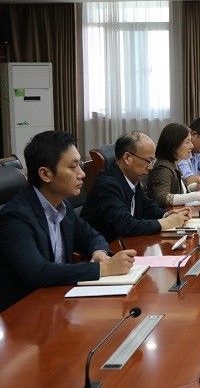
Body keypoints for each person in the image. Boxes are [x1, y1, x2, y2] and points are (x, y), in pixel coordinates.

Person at [0, 131, 135, 311]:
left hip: (59, 302)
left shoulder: (62, 206)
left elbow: (92, 236)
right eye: (73, 167)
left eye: (80, 165)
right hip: (24, 312)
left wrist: (99, 252)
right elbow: (37, 272)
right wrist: (103, 269)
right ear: (45, 174)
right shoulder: (15, 217)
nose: (82, 174)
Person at [80, 132, 191, 243]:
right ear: (127, 157)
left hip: (126, 243)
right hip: (106, 248)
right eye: (148, 161)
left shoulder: (131, 177)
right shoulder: (107, 185)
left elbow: (146, 206)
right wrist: (166, 223)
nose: (150, 167)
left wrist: (166, 214)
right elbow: (124, 225)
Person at [147, 123, 200, 208]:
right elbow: (162, 198)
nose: (192, 146)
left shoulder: (172, 163)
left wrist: (195, 187)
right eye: (187, 142)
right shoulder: (162, 168)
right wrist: (198, 196)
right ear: (174, 144)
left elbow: (179, 190)